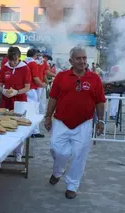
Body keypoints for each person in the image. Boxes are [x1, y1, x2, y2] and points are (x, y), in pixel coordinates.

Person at [44, 47, 106, 199]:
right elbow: (53, 98)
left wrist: (101, 120)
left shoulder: (95, 79)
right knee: (57, 149)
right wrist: (48, 117)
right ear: (71, 61)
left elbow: (100, 101)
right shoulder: (61, 77)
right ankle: (58, 171)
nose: (82, 61)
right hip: (61, 121)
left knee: (79, 155)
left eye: (84, 58)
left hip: (84, 123)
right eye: (78, 58)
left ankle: (72, 185)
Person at [0, 47, 31, 162]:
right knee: (2, 125)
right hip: (6, 100)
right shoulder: (4, 68)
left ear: (19, 58)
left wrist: (17, 92)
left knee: (19, 127)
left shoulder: (25, 68)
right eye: (10, 61)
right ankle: (2, 153)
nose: (12, 63)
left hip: (20, 100)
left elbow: (27, 87)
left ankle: (18, 153)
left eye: (15, 61)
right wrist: (3, 91)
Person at [24, 48, 46, 138]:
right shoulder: (33, 63)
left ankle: (28, 130)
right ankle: (34, 131)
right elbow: (36, 78)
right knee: (34, 110)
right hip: (32, 89)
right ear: (34, 55)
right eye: (37, 55)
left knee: (27, 110)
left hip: (25, 89)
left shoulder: (24, 62)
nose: (38, 57)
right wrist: (42, 84)